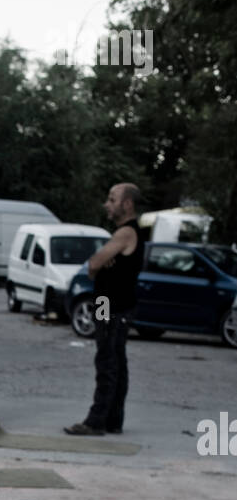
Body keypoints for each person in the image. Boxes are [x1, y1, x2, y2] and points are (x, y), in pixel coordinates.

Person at [65, 183, 144, 436]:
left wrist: (102, 262)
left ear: (127, 204)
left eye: (112, 199)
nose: (107, 204)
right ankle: (113, 419)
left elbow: (92, 264)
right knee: (115, 360)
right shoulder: (124, 234)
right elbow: (95, 266)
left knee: (107, 361)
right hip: (106, 304)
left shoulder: (125, 234)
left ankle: (96, 421)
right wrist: (101, 263)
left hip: (112, 305)